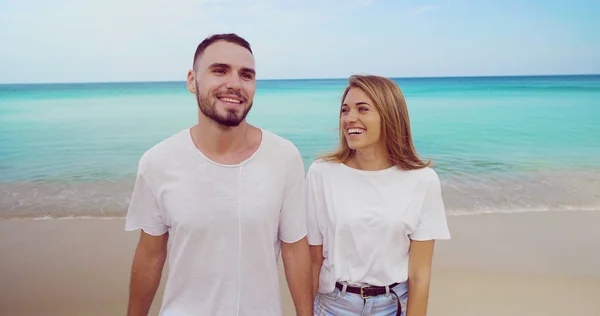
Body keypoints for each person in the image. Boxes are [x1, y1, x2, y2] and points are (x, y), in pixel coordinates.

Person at [124, 33, 313, 316]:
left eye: (246, 75)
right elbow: (151, 254)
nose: (235, 84)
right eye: (219, 71)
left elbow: (295, 250)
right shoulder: (158, 162)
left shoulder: (284, 157)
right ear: (192, 81)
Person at [306, 75, 451, 316]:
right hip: (333, 306)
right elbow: (313, 260)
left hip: (393, 305)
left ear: (390, 116)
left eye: (363, 109)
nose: (350, 118)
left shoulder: (422, 180)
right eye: (345, 110)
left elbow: (420, 275)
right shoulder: (321, 173)